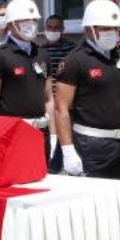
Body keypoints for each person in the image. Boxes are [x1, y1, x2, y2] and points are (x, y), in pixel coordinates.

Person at [55, 0, 120, 180]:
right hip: (90, 146)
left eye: (115, 29)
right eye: (106, 28)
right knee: (92, 205)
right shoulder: (74, 61)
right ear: (90, 29)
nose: (113, 33)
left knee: (119, 203)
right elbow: (61, 108)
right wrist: (68, 150)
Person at [0, 0, 55, 164]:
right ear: (11, 24)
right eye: (25, 21)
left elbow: (49, 99)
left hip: (41, 132)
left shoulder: (42, 54)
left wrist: (53, 134)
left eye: (34, 20)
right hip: (13, 133)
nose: (31, 24)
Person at [41, 14, 76, 172]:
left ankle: (65, 167)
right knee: (50, 137)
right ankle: (51, 168)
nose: (53, 31)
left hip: (66, 102)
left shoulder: (71, 50)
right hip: (47, 102)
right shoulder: (40, 51)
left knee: (65, 134)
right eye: (50, 27)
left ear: (62, 30)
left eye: (56, 28)